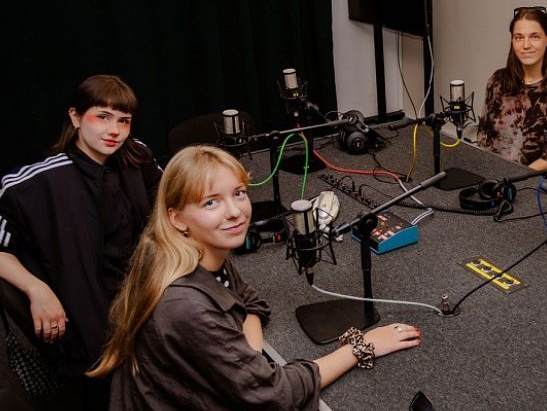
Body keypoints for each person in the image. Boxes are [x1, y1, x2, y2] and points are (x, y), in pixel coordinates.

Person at [87, 145, 421, 409]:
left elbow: (248, 299)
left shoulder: (199, 252)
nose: (235, 212)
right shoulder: (184, 304)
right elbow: (276, 393)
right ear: (177, 218)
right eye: (210, 203)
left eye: (239, 193)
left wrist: (246, 355)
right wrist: (361, 347)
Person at [0, 74, 162, 407]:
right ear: (75, 117)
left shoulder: (137, 158)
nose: (114, 130)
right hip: (91, 325)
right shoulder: (41, 182)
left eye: (124, 120)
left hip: (145, 300)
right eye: (102, 117)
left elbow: (172, 207)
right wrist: (36, 289)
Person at [477, 6, 547, 171]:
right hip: (494, 173)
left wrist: (514, 179)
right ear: (512, 41)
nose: (526, 45)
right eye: (519, 37)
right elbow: (484, 137)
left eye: (534, 37)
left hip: (535, 179)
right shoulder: (497, 81)